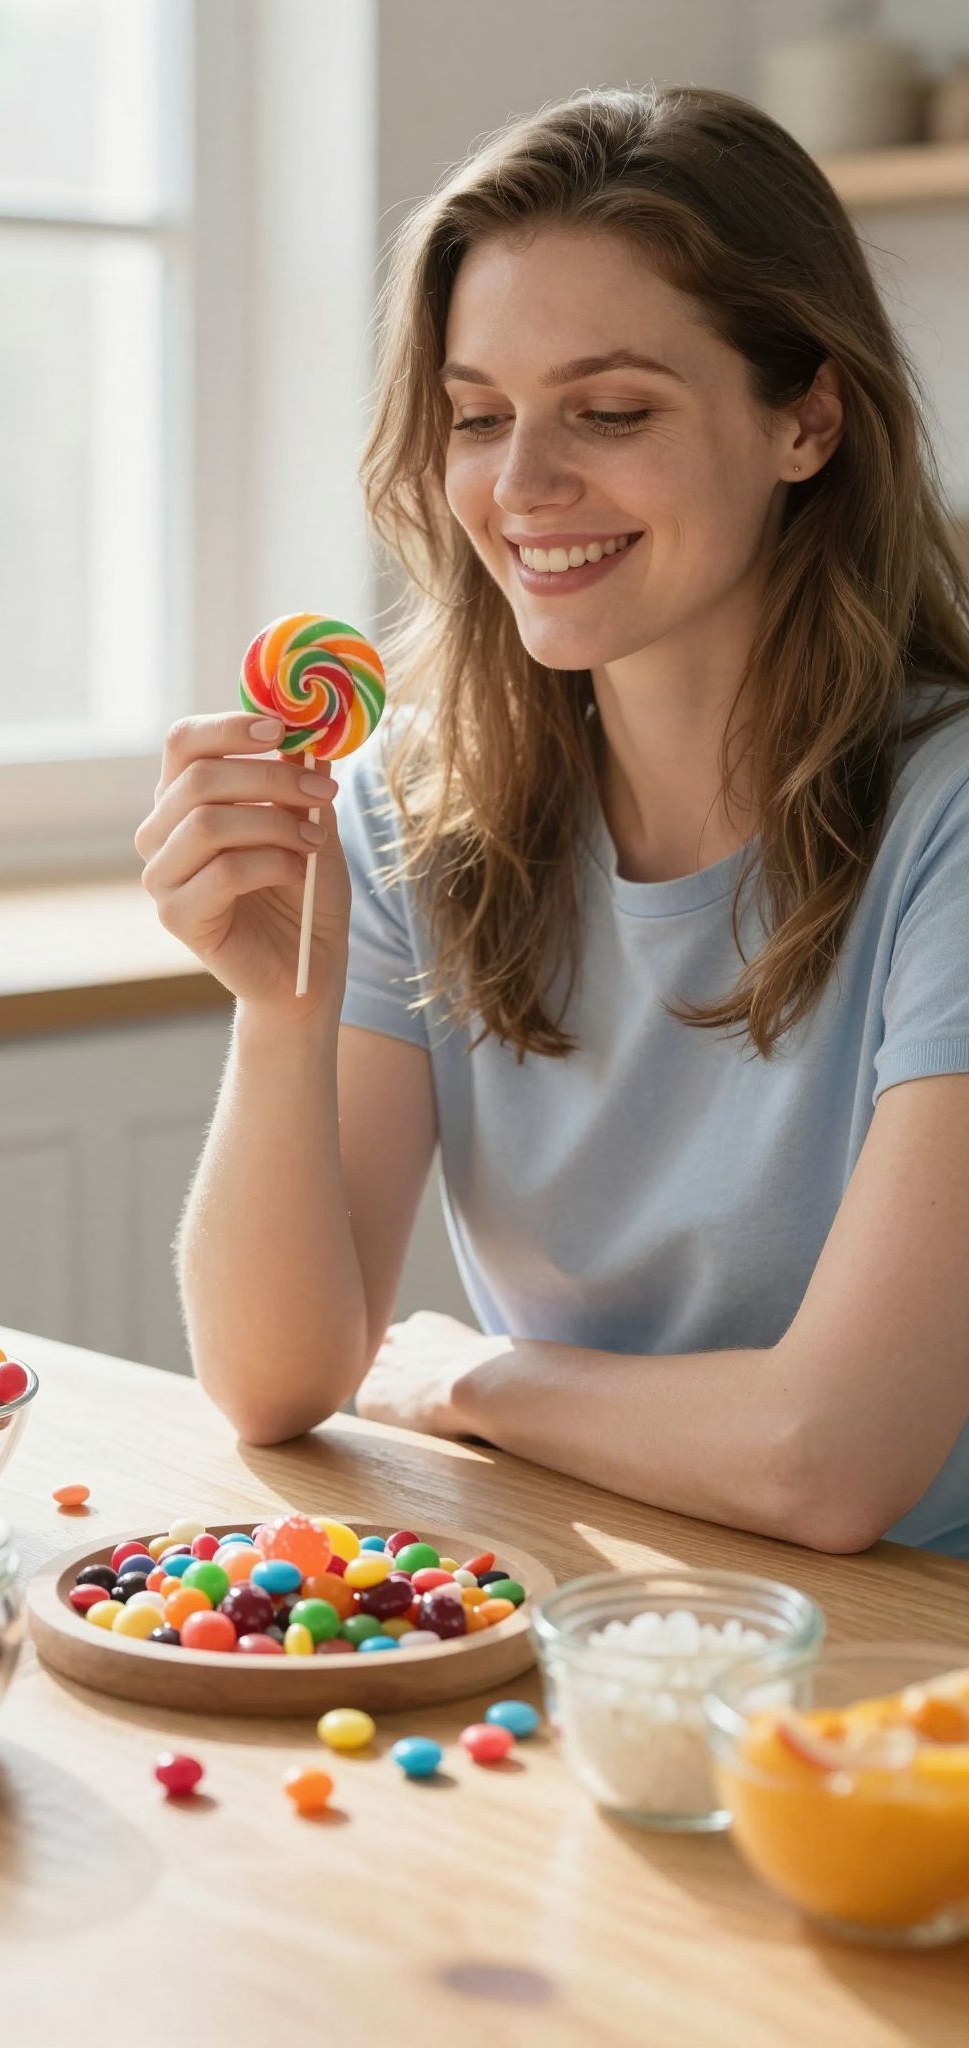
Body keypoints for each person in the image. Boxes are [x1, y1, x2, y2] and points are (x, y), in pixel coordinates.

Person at [136, 87, 969, 1556]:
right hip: (583, 1604)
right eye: (477, 417)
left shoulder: (949, 821)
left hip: (905, 1672)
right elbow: (274, 1383)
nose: (521, 487)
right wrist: (280, 1010)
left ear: (808, 417)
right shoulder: (411, 798)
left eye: (613, 411)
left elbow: (830, 1464)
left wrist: (475, 1375)